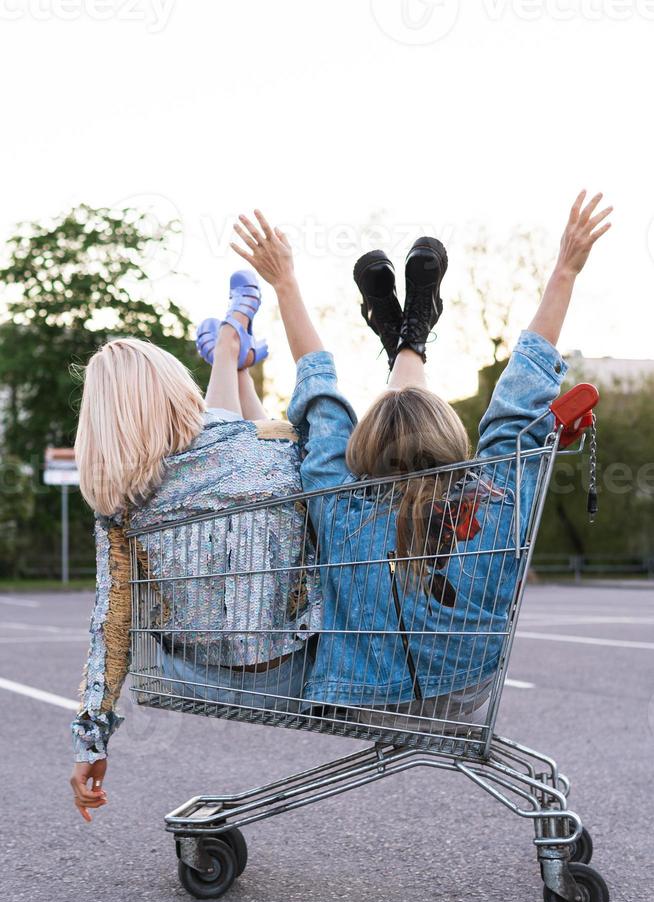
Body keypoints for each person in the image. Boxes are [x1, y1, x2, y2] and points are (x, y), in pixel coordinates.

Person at [225, 194, 611, 723]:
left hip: (364, 698)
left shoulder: (342, 506)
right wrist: (566, 269)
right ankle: (410, 337)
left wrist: (284, 283)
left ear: (363, 452)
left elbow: (323, 401)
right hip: (466, 687)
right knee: (410, 423)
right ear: (450, 437)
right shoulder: (492, 501)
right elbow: (518, 401)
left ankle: (407, 341)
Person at [69, 271, 320, 821]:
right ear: (175, 390)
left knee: (231, 431)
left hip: (198, 673)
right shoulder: (268, 449)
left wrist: (92, 741)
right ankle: (230, 352)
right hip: (296, 665)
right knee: (245, 433)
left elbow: (112, 623)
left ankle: (231, 350)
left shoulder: (120, 504)